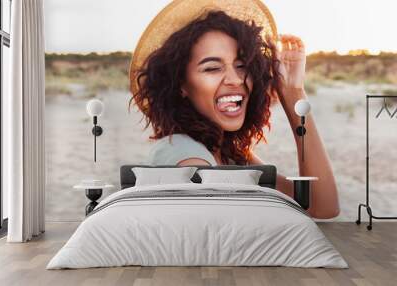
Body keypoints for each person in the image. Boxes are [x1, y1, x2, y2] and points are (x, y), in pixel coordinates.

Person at [129, 0, 339, 218]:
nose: (235, 79)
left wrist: (293, 92)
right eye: (212, 68)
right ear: (181, 85)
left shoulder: (227, 152)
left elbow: (321, 205)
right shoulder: (184, 154)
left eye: (241, 66)